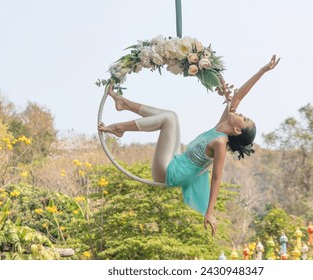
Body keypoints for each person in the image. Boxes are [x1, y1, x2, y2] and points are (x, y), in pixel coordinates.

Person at [98, 55, 280, 236]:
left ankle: (120, 128)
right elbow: (239, 95)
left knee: (168, 119)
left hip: (169, 172)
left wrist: (209, 212)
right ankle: (124, 103)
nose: (241, 114)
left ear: (238, 130)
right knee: (173, 116)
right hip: (176, 160)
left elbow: (216, 179)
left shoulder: (220, 143)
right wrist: (262, 71)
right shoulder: (222, 125)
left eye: (244, 119)